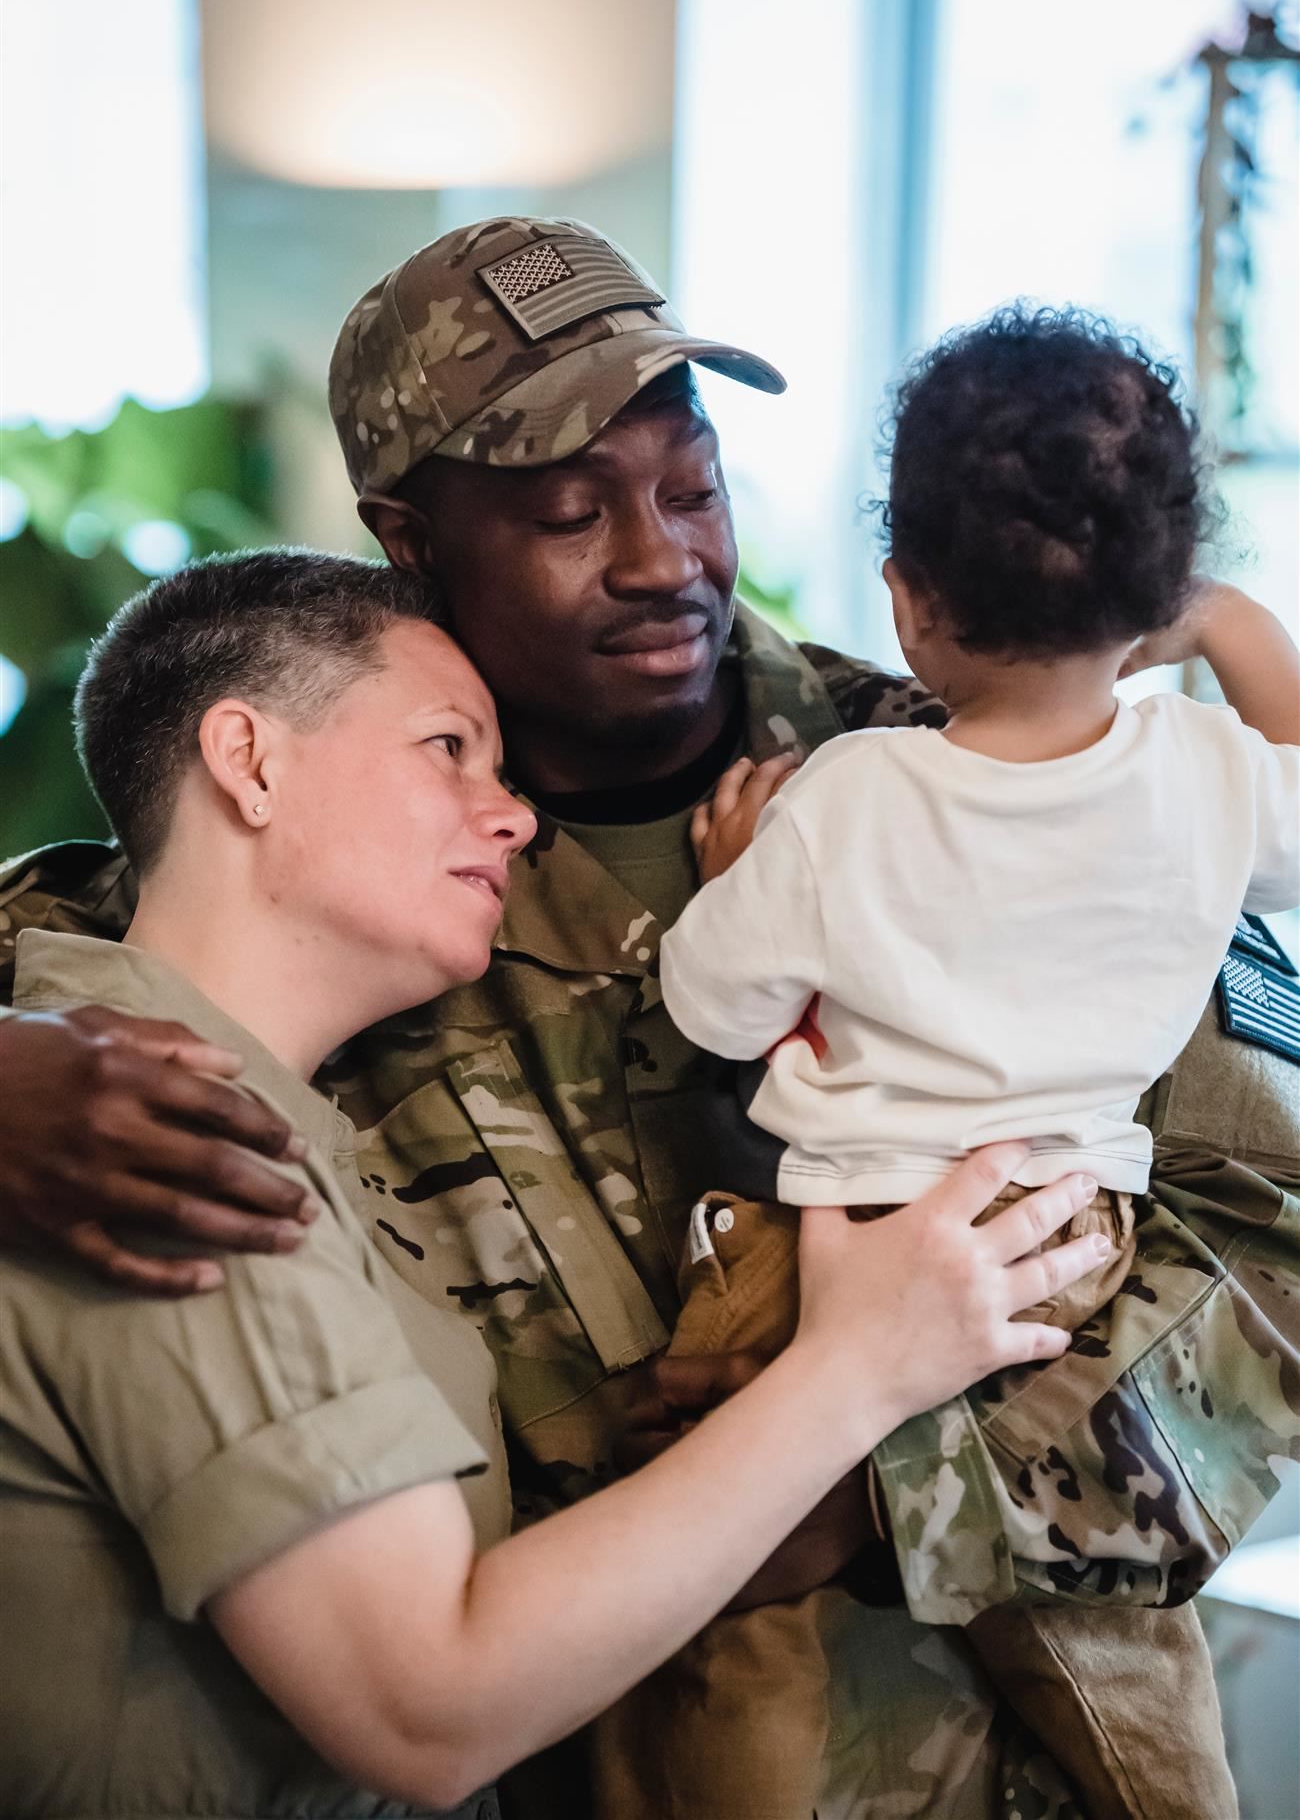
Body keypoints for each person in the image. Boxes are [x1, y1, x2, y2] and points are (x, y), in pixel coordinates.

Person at [0, 216, 1296, 1819]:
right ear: (408, 540)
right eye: (567, 513)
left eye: (694, 489)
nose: (661, 557)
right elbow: (100, 971)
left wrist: (884, 1492)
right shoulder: (350, 866)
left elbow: (1270, 1235)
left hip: (1000, 1762)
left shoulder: (988, 765)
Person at [0, 544, 1107, 1820]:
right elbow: (426, 1705)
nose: (515, 814)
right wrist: (861, 1366)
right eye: (446, 749)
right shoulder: (159, 1139)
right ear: (251, 762)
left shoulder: (185, 1094)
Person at [639, 306, 1300, 1820]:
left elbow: (712, 1008)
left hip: (823, 1257)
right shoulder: (1208, 780)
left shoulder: (847, 794)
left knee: (740, 1614)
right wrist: (1235, 625)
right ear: (1149, 600)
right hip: (1058, 1267)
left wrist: (739, 871)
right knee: (1115, 1645)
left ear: (909, 597)